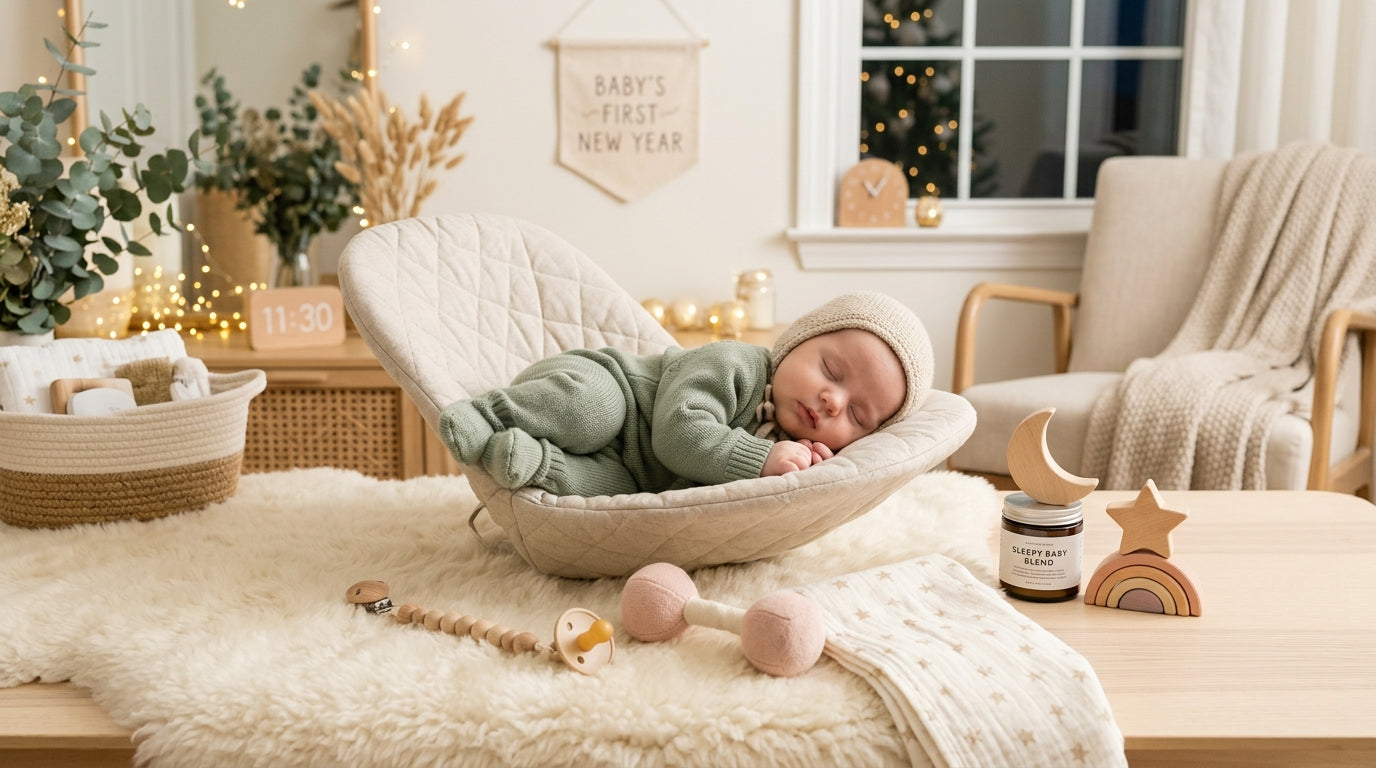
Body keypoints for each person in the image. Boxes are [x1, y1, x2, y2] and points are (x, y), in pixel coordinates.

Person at [438, 290, 933, 497]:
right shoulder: (734, 364)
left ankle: (532, 460)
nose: (832, 401)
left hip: (634, 470)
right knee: (593, 412)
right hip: (613, 392)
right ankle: (489, 414)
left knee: (612, 492)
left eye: (858, 416)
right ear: (796, 342)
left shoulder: (798, 448)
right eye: (830, 370)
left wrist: (799, 467)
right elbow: (678, 438)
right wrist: (762, 458)